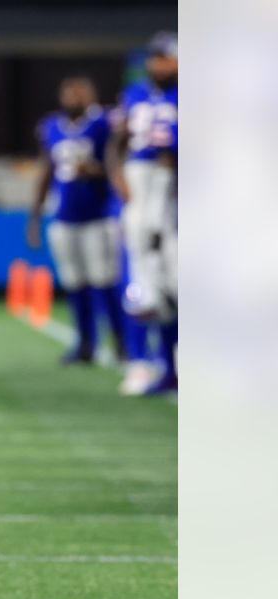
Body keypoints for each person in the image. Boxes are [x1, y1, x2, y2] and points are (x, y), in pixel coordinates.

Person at [27, 76, 125, 364]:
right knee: (75, 283)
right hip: (63, 216)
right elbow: (46, 170)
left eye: (80, 95)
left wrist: (96, 172)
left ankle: (121, 342)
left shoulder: (104, 123)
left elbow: (118, 163)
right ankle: (85, 343)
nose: (74, 100)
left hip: (98, 214)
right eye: (69, 94)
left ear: (91, 97)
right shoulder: (51, 127)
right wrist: (35, 215)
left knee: (104, 282)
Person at [108, 32, 178, 394]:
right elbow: (116, 143)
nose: (160, 64)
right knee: (140, 282)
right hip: (143, 190)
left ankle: (175, 365)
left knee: (176, 286)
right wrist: (118, 177)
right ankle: (142, 362)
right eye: (157, 57)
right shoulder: (134, 96)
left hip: (174, 193)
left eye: (167, 57)